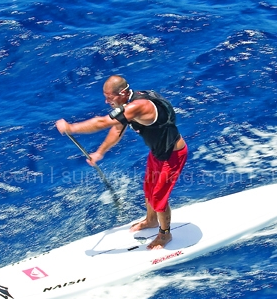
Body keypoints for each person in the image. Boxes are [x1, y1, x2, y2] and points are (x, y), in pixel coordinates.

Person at [56, 75, 188, 250]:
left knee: (158, 197)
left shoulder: (138, 106)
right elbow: (117, 129)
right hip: (157, 153)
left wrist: (71, 128)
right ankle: (151, 220)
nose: (106, 101)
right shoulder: (128, 105)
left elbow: (102, 122)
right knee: (148, 188)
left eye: (109, 97)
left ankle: (165, 234)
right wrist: (100, 153)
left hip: (172, 155)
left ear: (123, 93)